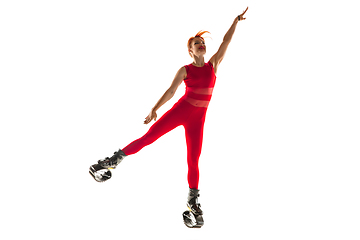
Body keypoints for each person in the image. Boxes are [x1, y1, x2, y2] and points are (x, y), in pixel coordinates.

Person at [94, 7, 248, 217]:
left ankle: (192, 202)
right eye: (197, 44)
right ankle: (111, 161)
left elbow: (225, 43)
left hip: (198, 120)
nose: (202, 45)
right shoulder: (185, 70)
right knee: (148, 138)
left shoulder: (213, 65)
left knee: (193, 160)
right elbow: (171, 91)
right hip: (181, 111)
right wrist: (155, 109)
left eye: (202, 43)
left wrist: (236, 21)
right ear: (190, 51)